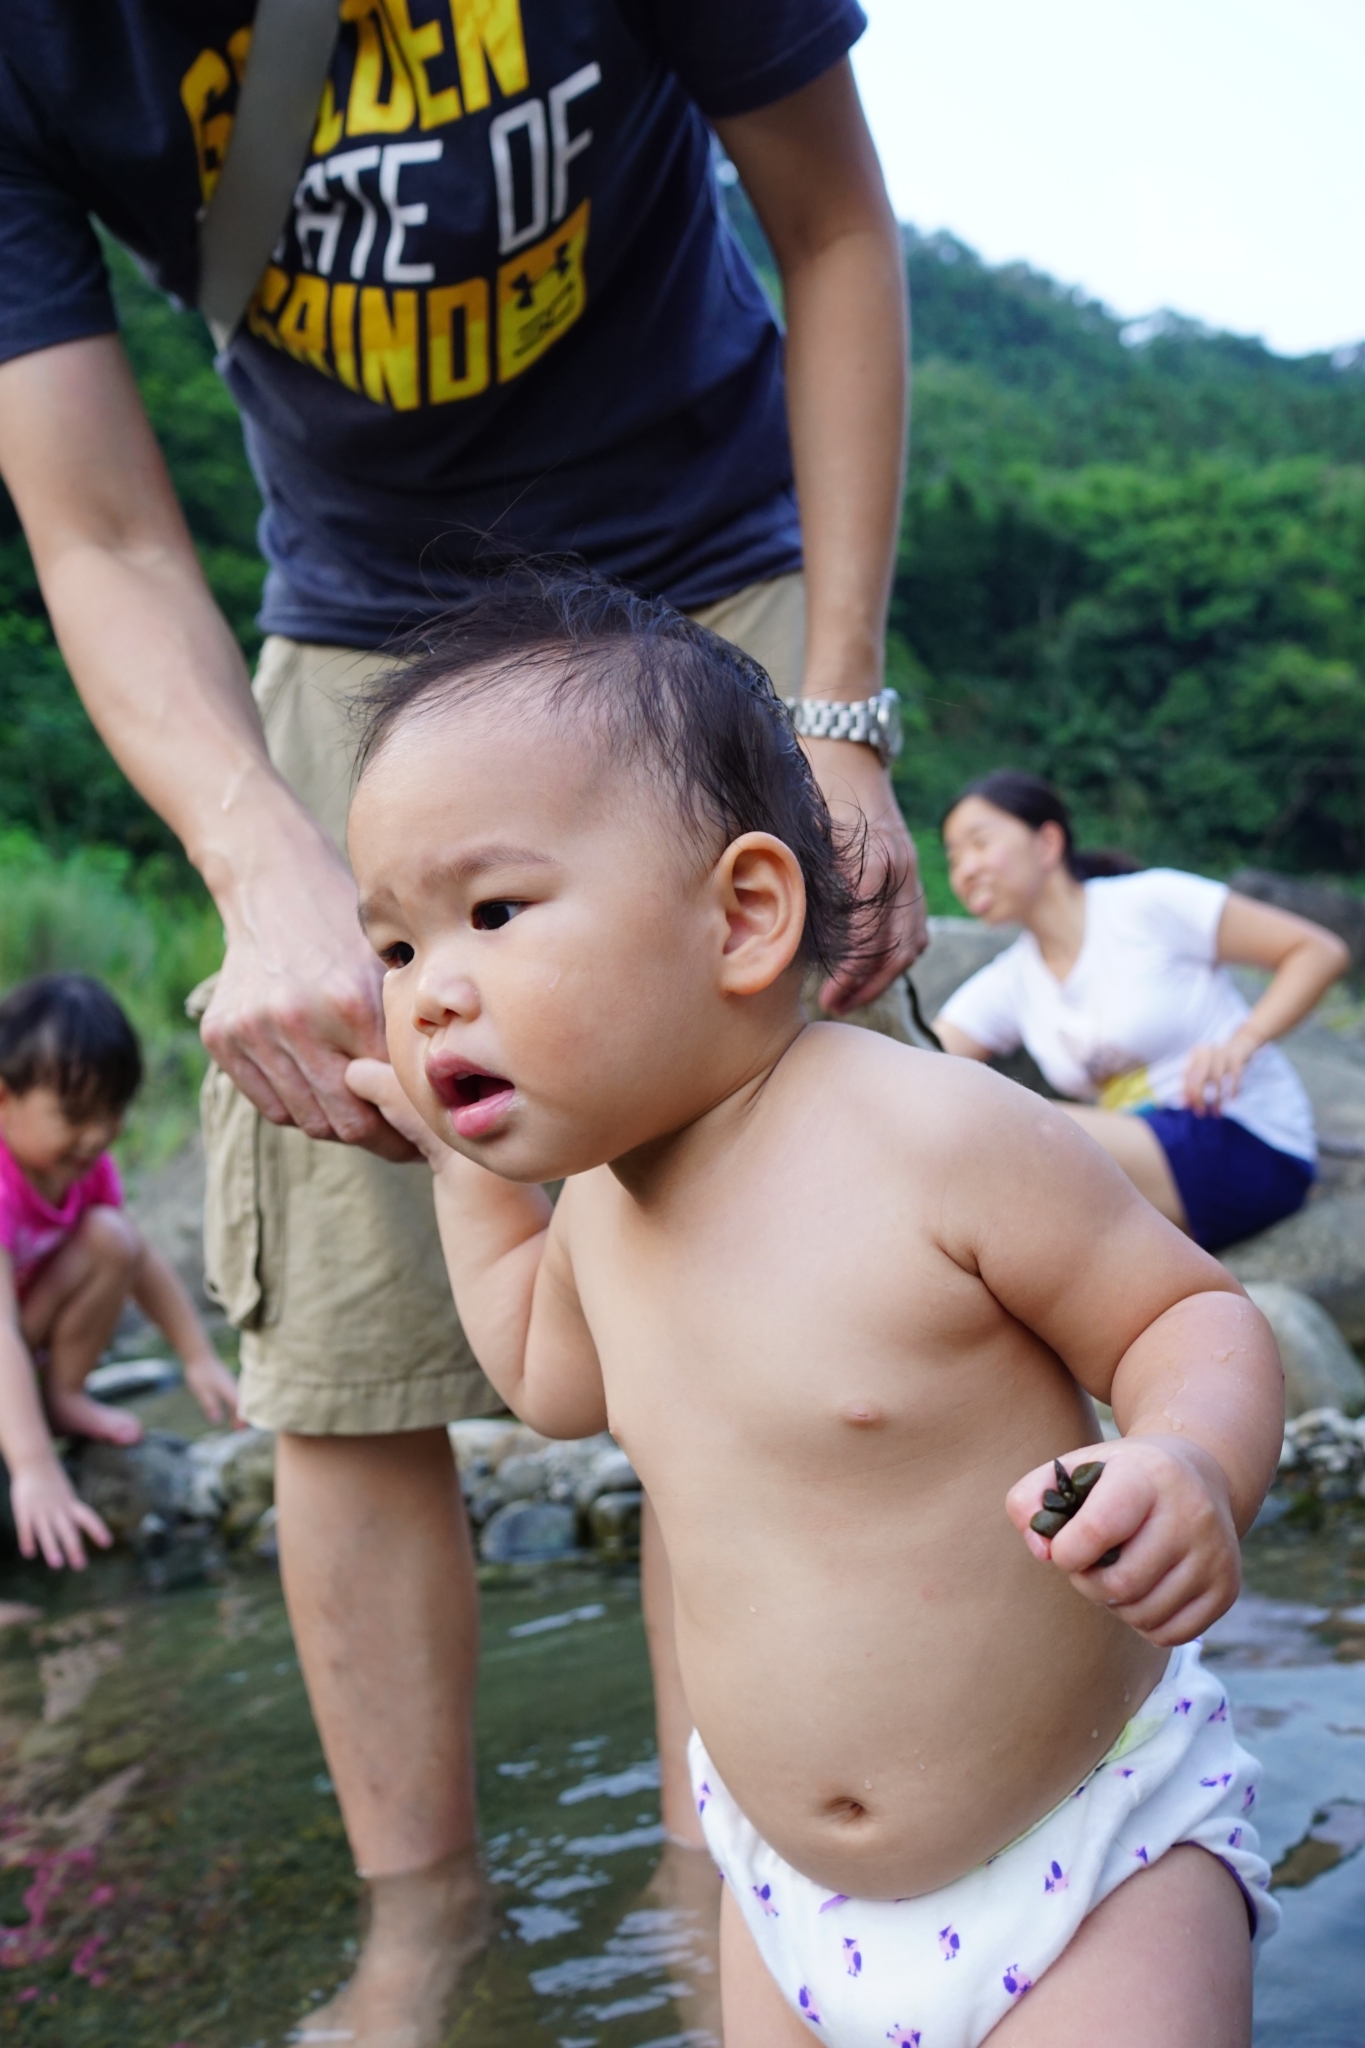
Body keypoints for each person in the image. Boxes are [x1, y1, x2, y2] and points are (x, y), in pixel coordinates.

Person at [0, 6, 923, 2033]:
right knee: (341, 1344)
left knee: (798, 1280)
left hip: (711, 589)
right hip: (351, 643)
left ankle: (728, 1882)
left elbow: (835, 229)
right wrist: (257, 851)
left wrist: (842, 717)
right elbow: (98, 522)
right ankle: (422, 1925)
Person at [342, 575, 1284, 2048]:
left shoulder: (934, 1135)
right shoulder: (598, 1209)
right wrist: (461, 1169)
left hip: (1090, 1854)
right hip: (786, 1895)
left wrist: (1189, 1462)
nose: (429, 995)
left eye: (493, 912)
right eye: (397, 950)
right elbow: (545, 1378)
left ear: (744, 914)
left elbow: (1188, 1318)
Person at [935, 771, 1350, 1253]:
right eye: (953, 858)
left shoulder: (1145, 904)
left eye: (979, 843)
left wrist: (1242, 1041)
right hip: (1146, 1162)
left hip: (1241, 1137)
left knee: (1016, 1125)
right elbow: (926, 1059)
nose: (965, 871)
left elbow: (1317, 951)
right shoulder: (1010, 980)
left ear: (1047, 842)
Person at [0, 973, 240, 1570]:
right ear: (3, 1097)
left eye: (113, 1112)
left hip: (21, 1356)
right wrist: (33, 1466)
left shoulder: (83, 1168)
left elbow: (139, 1261)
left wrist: (199, 1357)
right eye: (75, 1115)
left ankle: (63, 1396)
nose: (96, 1136)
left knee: (112, 1237)